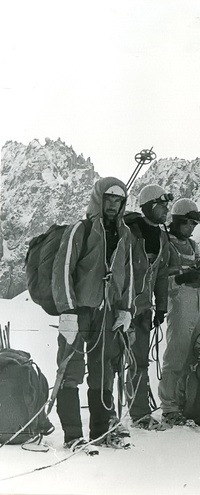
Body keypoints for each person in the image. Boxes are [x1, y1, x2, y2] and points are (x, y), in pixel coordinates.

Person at [52, 177, 134, 449]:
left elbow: (128, 274)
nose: (113, 205)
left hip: (107, 313)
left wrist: (125, 309)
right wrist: (67, 311)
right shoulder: (81, 229)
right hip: (79, 311)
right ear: (99, 199)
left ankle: (100, 432)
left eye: (118, 201)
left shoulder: (124, 234)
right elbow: (63, 269)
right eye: (108, 199)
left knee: (104, 372)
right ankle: (73, 436)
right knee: (70, 371)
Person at [124, 184, 172, 430]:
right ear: (150, 206)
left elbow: (161, 273)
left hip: (143, 310)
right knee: (112, 362)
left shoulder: (161, 237)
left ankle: (139, 413)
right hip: (121, 308)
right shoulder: (130, 232)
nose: (166, 210)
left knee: (139, 362)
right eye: (162, 206)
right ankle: (110, 416)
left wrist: (161, 306)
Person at [158, 198, 200, 426]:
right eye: (189, 223)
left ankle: (184, 402)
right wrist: (181, 278)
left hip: (195, 301)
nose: (192, 228)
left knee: (193, 354)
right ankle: (169, 406)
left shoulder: (193, 246)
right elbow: (159, 279)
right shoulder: (167, 243)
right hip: (178, 303)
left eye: (195, 224)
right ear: (178, 221)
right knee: (176, 354)